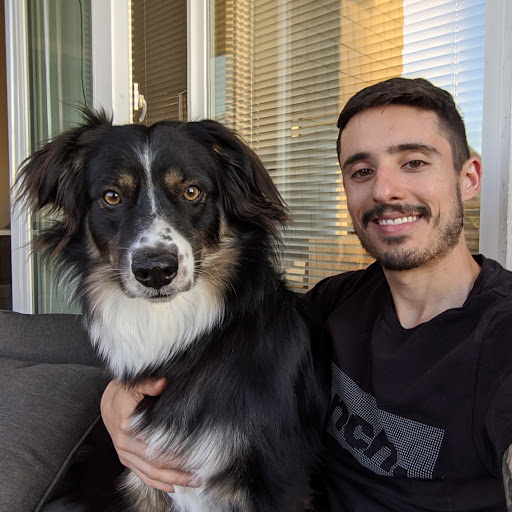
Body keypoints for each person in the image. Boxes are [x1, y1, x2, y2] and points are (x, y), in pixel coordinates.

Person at [101, 77, 512, 511]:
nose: (384, 189)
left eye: (414, 162)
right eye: (362, 171)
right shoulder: (337, 303)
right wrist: (116, 396)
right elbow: (221, 344)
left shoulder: (500, 333)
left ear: (468, 178)